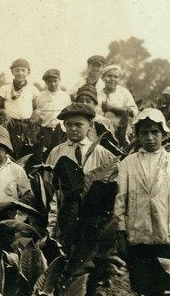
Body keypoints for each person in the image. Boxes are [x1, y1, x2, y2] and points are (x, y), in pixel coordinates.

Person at [114, 108, 170, 296]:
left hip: (168, 238)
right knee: (144, 295)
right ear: (137, 135)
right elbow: (120, 202)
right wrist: (121, 234)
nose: (150, 138)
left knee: (169, 293)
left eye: (155, 132)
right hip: (138, 240)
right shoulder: (127, 164)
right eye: (144, 132)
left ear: (164, 134)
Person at [45, 103, 115, 237]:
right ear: (64, 126)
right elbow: (48, 185)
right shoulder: (56, 152)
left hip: (92, 217)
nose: (73, 128)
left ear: (90, 125)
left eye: (78, 124)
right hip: (63, 217)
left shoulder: (101, 153)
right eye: (69, 124)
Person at [32, 68, 72, 148]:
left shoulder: (65, 96)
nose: (53, 84)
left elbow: (69, 114)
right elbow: (36, 113)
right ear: (46, 82)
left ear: (59, 80)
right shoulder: (40, 96)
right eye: (50, 81)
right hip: (45, 130)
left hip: (62, 131)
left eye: (55, 81)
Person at [97, 65, 138, 137]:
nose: (112, 79)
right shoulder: (98, 94)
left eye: (116, 77)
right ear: (103, 78)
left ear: (119, 79)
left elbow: (133, 112)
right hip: (100, 134)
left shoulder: (124, 92)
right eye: (109, 76)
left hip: (120, 134)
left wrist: (112, 108)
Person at [0, 58, 39, 123]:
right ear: (12, 72)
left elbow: (36, 108)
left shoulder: (33, 89)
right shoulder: (5, 88)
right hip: (10, 123)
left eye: (23, 70)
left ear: (28, 72)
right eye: (17, 70)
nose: (20, 73)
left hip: (27, 123)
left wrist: (36, 113)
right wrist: (4, 111)